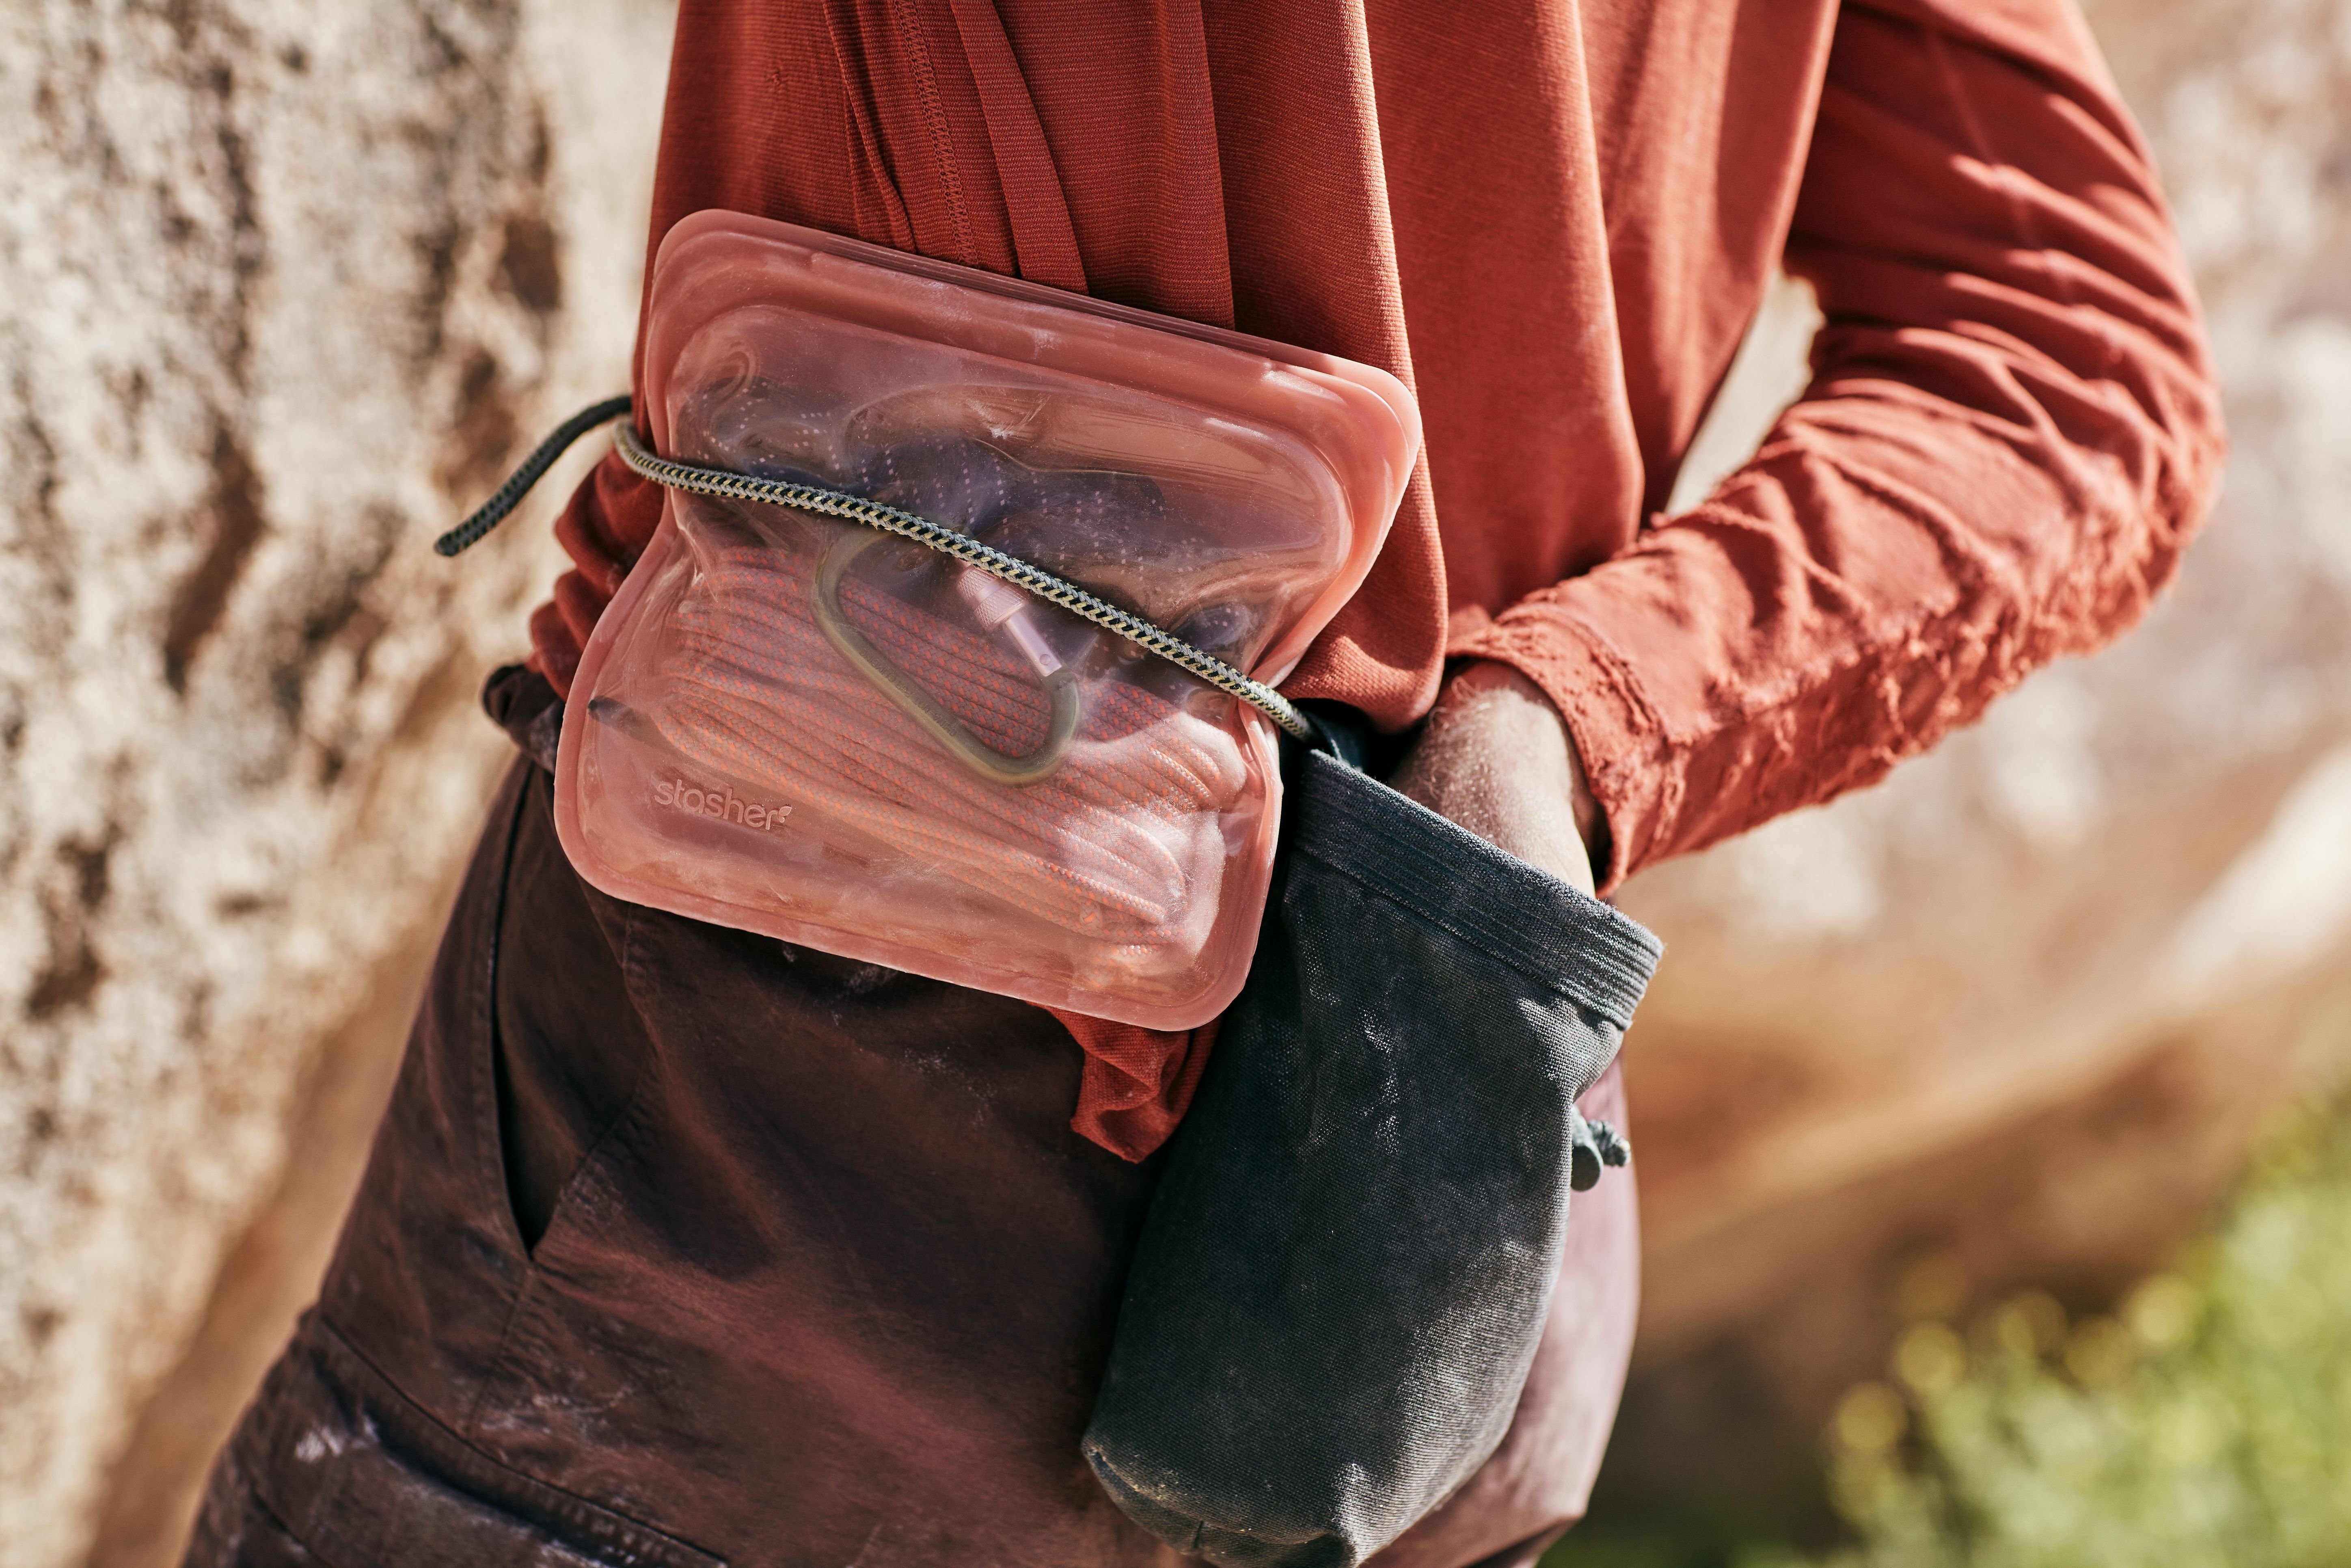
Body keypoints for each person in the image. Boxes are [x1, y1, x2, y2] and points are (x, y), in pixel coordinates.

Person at [187, 0, 2221, 1564]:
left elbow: (2081, 363)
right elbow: (2079, 365)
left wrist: (1563, 723)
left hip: (764, 1123)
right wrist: (1563, 732)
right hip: (1401, 1182)